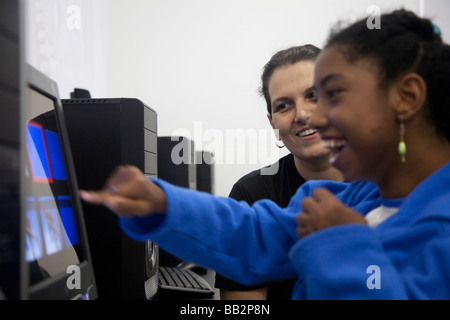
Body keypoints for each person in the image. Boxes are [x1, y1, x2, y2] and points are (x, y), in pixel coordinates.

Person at [80, 9, 450, 299]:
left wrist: (344, 245)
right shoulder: (352, 198)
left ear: (406, 98)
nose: (314, 117)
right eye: (286, 105)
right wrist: (163, 203)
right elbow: (253, 235)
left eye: (332, 94)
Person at [215, 44, 343, 300]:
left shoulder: (391, 184)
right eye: (284, 105)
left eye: (313, 96)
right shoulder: (252, 196)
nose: (303, 114)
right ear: (273, 123)